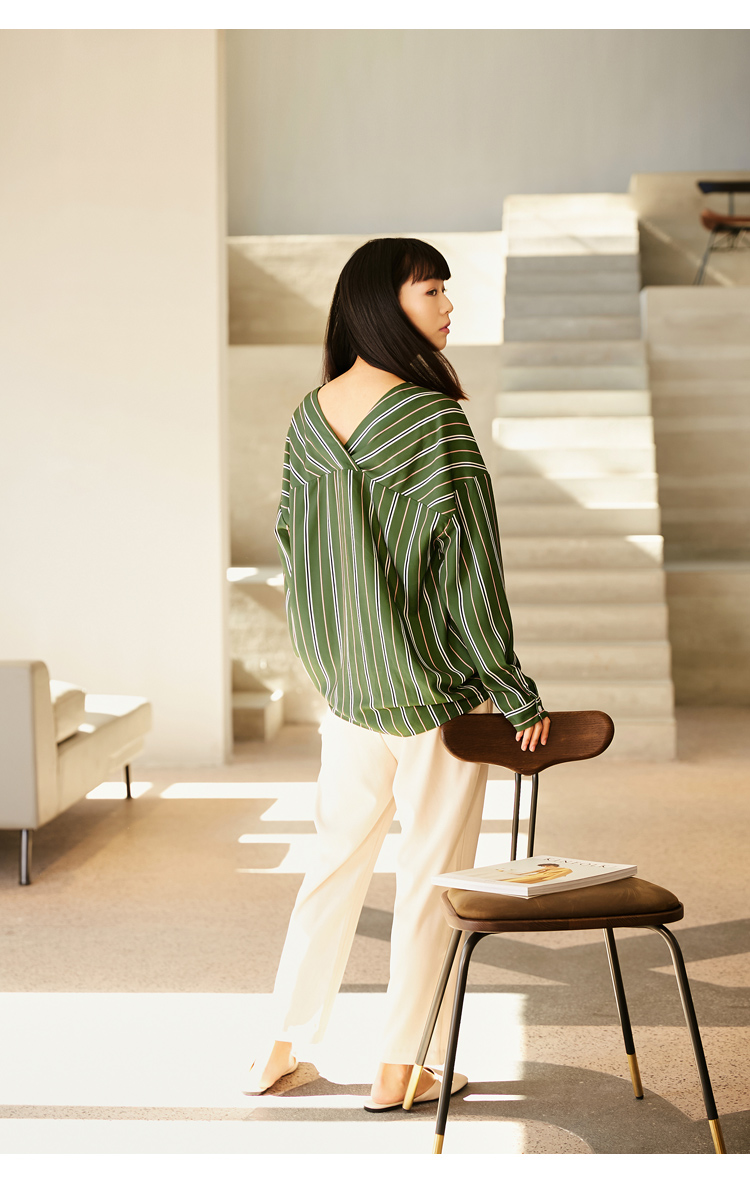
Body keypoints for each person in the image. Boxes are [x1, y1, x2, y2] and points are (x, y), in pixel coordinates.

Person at [246, 237, 550, 1110]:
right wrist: (513, 689)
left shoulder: (310, 418)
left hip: (351, 694)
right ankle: (402, 1067)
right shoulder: (432, 420)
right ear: (384, 302)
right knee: (432, 880)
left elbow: (297, 556)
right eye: (431, 291)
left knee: (331, 868)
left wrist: (334, 666)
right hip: (439, 698)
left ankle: (279, 1050)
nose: (449, 307)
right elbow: (470, 572)